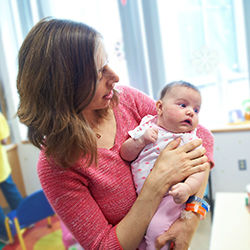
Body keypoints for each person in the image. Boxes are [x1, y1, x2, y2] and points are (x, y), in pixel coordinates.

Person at [16, 17, 211, 250]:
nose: (115, 77)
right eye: (99, 73)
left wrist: (190, 218)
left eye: (107, 63)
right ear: (64, 86)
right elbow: (103, 246)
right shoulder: (57, 164)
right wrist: (156, 183)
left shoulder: (125, 100)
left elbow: (203, 138)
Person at [120, 81, 214, 249]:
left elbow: (200, 169)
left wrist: (187, 189)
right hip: (142, 199)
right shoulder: (147, 125)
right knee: (141, 235)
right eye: (183, 105)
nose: (190, 112)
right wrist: (140, 141)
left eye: (196, 109)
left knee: (157, 233)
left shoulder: (189, 138)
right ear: (160, 107)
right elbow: (125, 154)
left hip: (170, 197)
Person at [0, 112, 23, 244]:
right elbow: (3, 140)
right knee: (11, 192)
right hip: (1, 165)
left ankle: (5, 234)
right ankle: (25, 220)